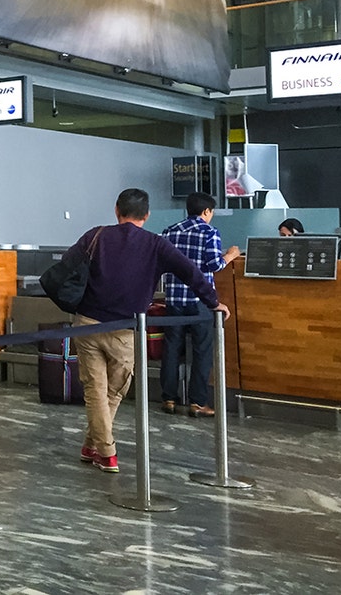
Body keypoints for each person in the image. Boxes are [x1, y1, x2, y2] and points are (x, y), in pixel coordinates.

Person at [64, 188, 228, 474]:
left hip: (87, 322)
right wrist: (213, 302)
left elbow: (66, 266)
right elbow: (191, 272)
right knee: (113, 390)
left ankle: (92, 444)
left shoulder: (96, 235)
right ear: (147, 215)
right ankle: (108, 453)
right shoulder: (156, 244)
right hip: (126, 328)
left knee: (96, 390)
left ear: (117, 210)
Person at [160, 193, 240, 418]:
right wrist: (232, 255)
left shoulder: (170, 231)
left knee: (172, 349)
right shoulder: (209, 232)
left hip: (174, 299)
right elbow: (215, 265)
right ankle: (197, 402)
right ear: (206, 211)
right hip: (199, 302)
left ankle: (168, 399)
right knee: (202, 351)